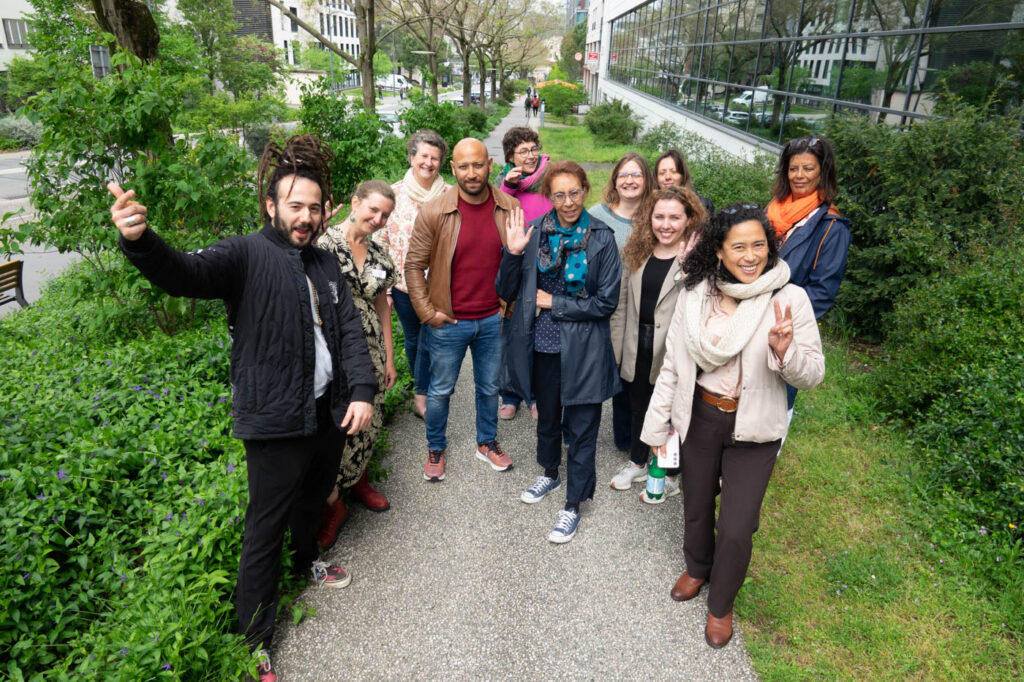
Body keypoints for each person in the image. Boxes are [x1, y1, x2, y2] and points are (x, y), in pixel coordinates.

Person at [108, 135, 376, 682]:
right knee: (264, 526)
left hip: (329, 411)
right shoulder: (243, 254)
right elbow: (185, 273)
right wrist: (141, 240)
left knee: (313, 501)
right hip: (275, 418)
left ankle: (306, 565)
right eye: (294, 206)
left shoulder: (325, 262)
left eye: (313, 208)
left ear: (326, 211)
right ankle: (254, 639)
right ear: (271, 206)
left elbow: (349, 330)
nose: (304, 217)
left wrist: (364, 392)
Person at [641, 203, 825, 648]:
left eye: (759, 245)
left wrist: (785, 353)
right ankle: (698, 567)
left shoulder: (789, 298)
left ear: (771, 247)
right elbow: (673, 368)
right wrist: (655, 430)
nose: (750, 255)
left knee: (739, 526)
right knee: (698, 505)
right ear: (719, 252)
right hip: (700, 416)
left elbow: (813, 374)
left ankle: (720, 604)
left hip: (755, 429)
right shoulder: (696, 294)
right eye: (738, 246)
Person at [497, 161, 622, 543]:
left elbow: (606, 302)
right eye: (559, 194)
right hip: (543, 345)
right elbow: (506, 290)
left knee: (583, 429)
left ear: (586, 190)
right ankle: (550, 473)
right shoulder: (535, 234)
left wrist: (556, 303)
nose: (568, 202)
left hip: (584, 349)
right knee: (548, 418)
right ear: (548, 197)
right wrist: (514, 253)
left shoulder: (602, 237)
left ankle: (573, 504)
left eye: (575, 192)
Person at [405, 138, 518, 482]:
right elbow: (413, 266)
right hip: (447, 321)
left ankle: (486, 443)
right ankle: (436, 446)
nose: (472, 173)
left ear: (490, 165)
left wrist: (508, 307)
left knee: (489, 388)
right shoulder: (435, 210)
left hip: (491, 319)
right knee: (439, 391)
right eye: (463, 166)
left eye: (478, 165)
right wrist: (427, 312)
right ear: (453, 169)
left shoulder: (510, 207)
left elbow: (519, 263)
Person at [315, 180, 398, 549]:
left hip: (371, 353)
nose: (378, 219)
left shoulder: (380, 255)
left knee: (368, 421)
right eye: (373, 211)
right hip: (330, 350)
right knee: (334, 424)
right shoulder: (323, 244)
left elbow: (382, 307)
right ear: (355, 203)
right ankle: (333, 504)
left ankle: (360, 481)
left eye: (385, 215)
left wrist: (390, 356)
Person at [609, 186, 706, 499]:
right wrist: (617, 349)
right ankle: (638, 460)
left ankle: (671, 471)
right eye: (659, 216)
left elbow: (703, 304)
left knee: (672, 412)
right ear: (648, 218)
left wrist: (689, 268)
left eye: (675, 217)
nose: (666, 224)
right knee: (639, 406)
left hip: (674, 349)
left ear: (689, 219)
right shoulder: (638, 250)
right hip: (638, 344)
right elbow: (623, 304)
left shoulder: (698, 257)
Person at [765, 136, 850, 412]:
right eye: (793, 168)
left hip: (785, 330)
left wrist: (775, 315)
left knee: (774, 407)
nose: (799, 175)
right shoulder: (770, 211)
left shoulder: (831, 227)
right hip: (749, 320)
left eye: (808, 168)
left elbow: (822, 294)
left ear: (823, 173)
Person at [375, 130, 449, 421]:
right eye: (424, 156)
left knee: (436, 339)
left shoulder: (450, 196)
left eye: (435, 157)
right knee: (416, 340)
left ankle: (429, 391)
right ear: (412, 157)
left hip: (441, 287)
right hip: (404, 287)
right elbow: (378, 245)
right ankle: (422, 395)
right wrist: (386, 290)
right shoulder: (393, 195)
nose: (429, 162)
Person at [587, 152, 655, 451]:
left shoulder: (655, 218)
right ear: (615, 179)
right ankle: (576, 430)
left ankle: (626, 438)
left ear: (646, 180)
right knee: (594, 371)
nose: (629, 180)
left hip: (640, 309)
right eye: (624, 175)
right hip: (601, 307)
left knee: (630, 375)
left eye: (636, 174)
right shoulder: (596, 215)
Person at [496, 126, 553, 420]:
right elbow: (499, 208)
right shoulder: (505, 181)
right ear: (510, 156)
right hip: (514, 261)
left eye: (533, 149)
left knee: (536, 331)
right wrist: (507, 185)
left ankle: (533, 394)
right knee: (510, 330)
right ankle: (510, 394)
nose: (531, 156)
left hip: (544, 264)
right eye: (523, 151)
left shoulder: (550, 175)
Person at [654, 148, 714, 215]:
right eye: (662, 173)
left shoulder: (703, 206)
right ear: (656, 178)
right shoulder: (649, 206)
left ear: (683, 176)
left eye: (674, 172)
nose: (667, 177)